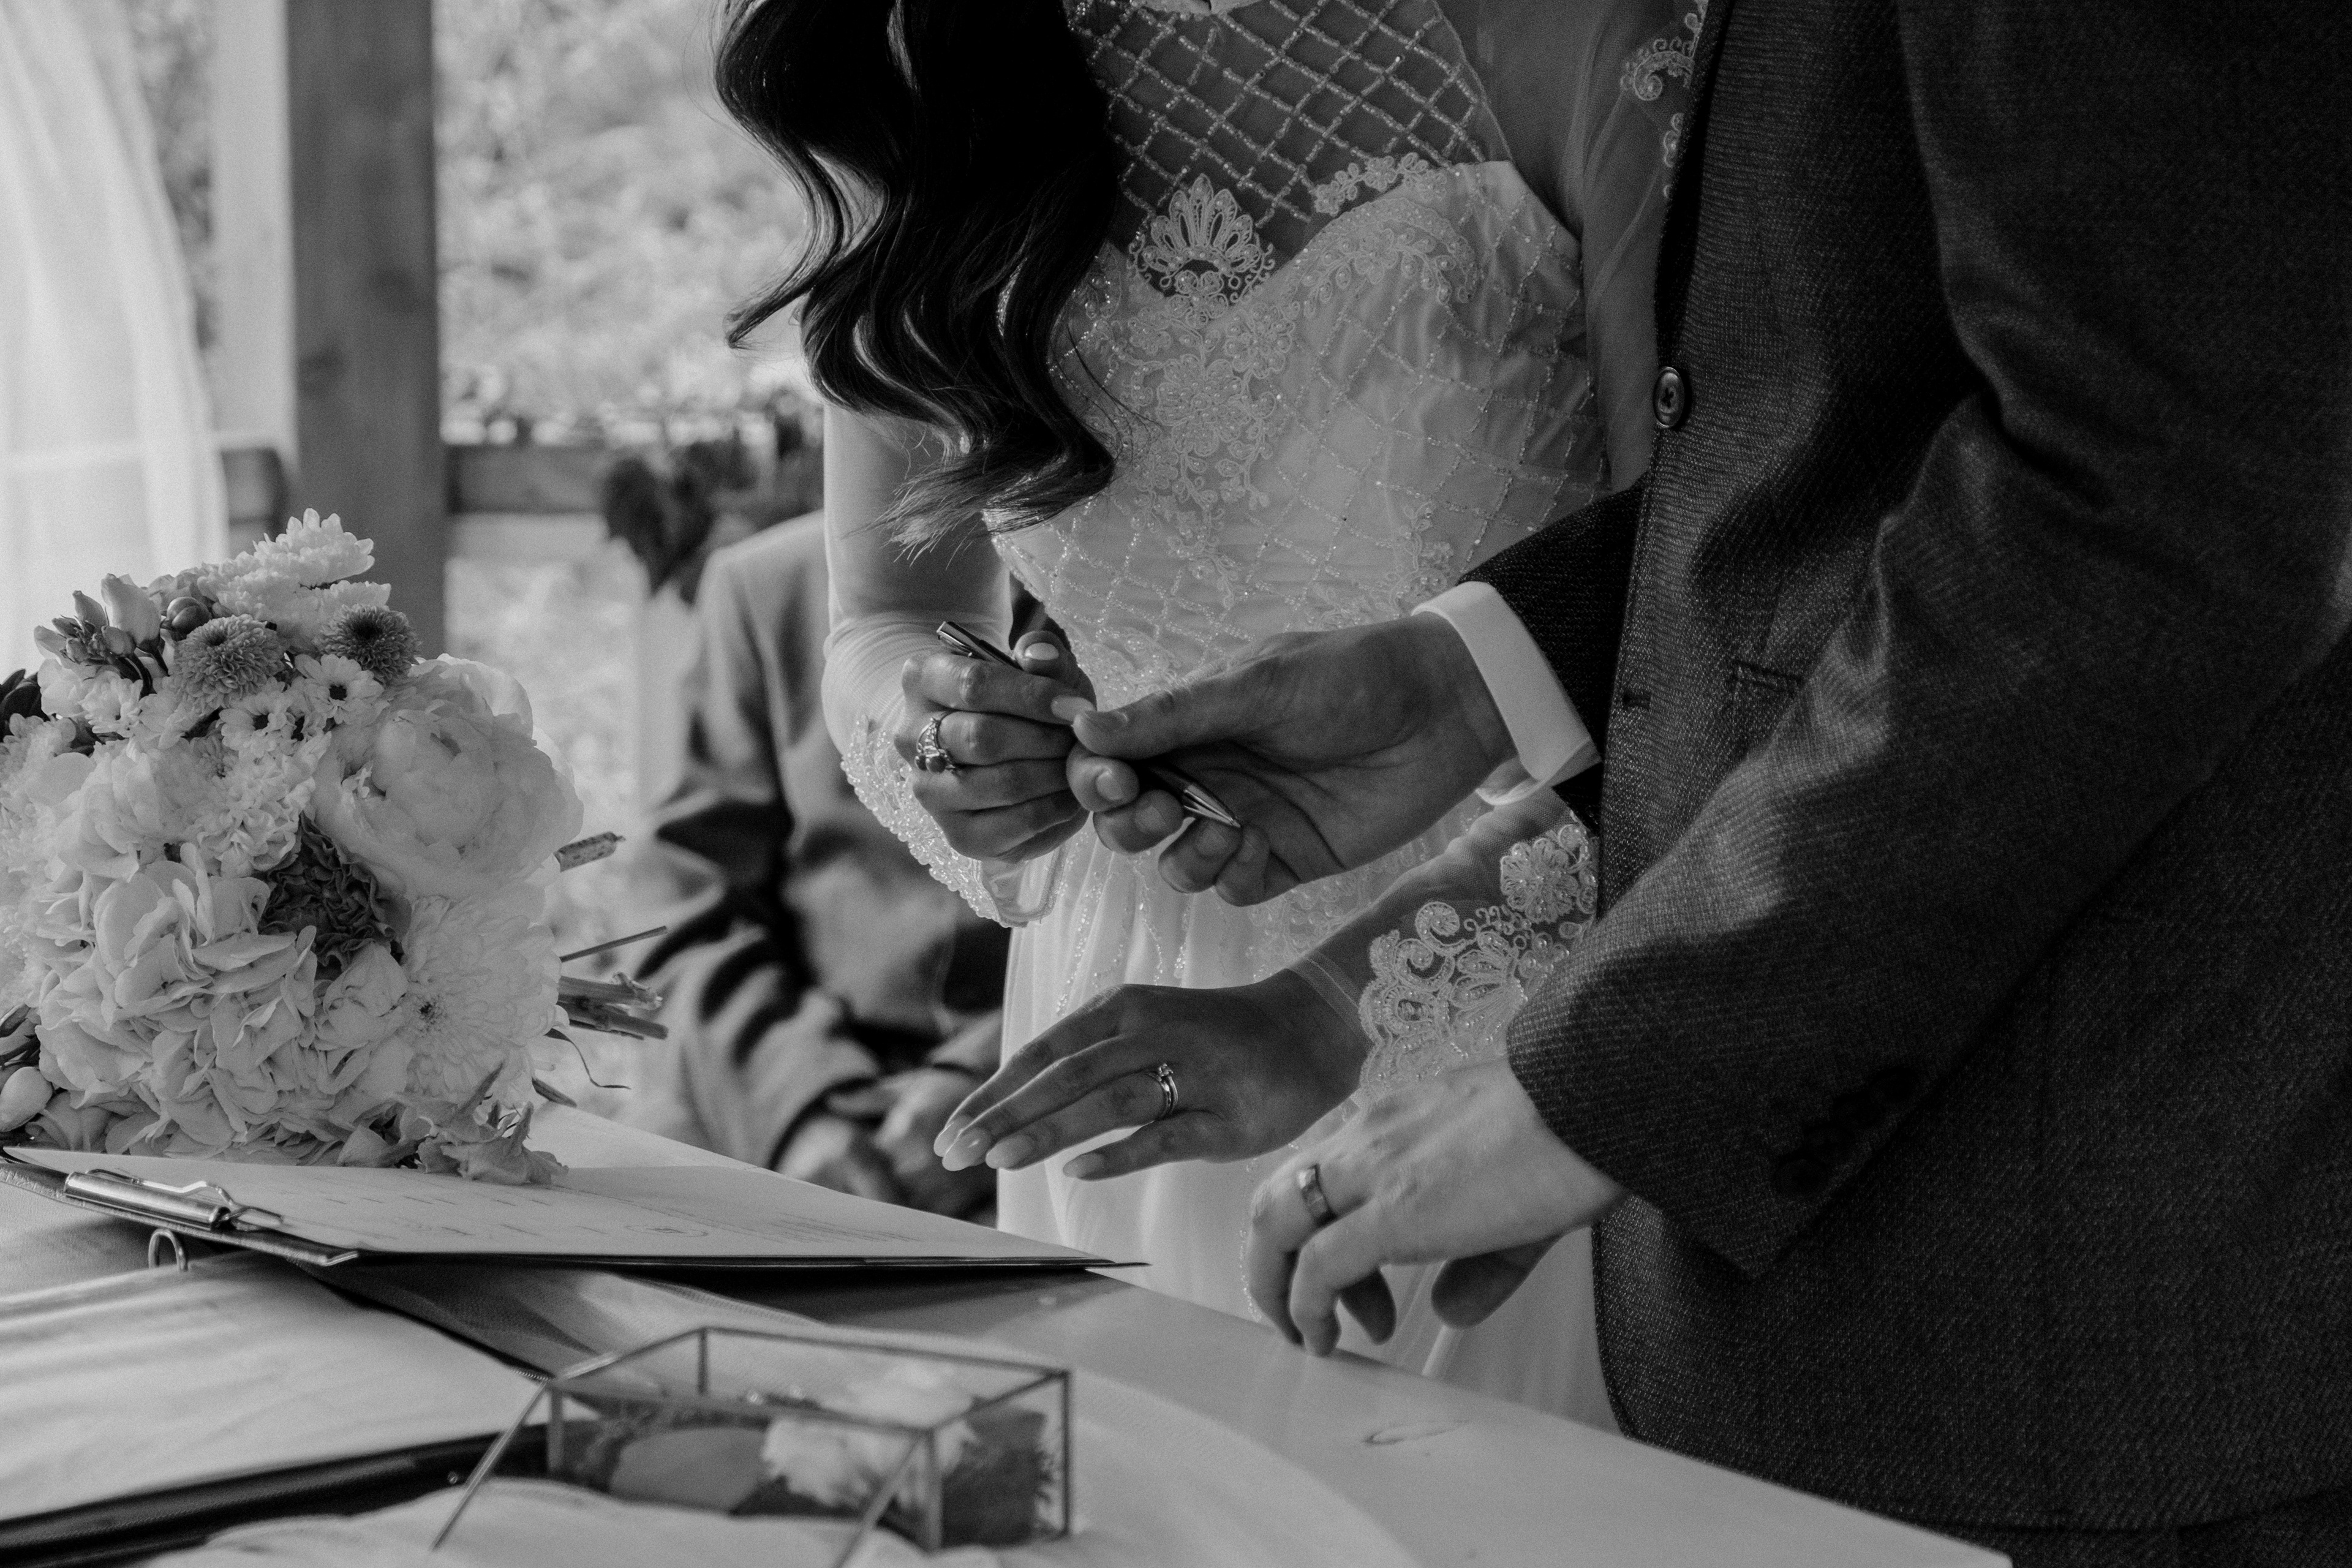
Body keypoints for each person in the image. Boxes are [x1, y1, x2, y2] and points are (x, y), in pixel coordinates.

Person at [940, 1, 2352, 1562]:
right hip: (1770, 1293)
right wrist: (1467, 677)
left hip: (2071, 1311)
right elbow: (1839, 447)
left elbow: (2162, 504)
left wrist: (1604, 1084)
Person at [715, 0, 1689, 1420]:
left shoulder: (1580, 33)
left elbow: (1706, 620)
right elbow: (881, 618)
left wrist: (1361, 994)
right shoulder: (920, 54)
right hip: (1111, 1034)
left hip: (1512, 1018)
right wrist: (949, 733)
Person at [619, 514, 1000, 1218]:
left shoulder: (1132, 588)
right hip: (806, 1076)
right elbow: (686, 903)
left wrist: (983, 1078)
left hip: (1040, 1082)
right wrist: (798, 1106)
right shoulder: (763, 585)